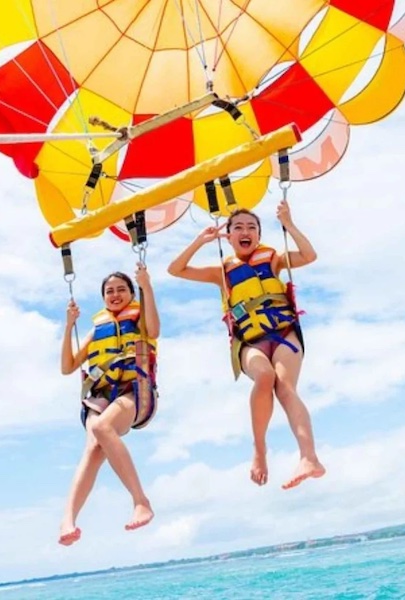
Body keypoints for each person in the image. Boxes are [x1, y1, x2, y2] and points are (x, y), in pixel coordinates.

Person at [167, 199, 326, 490]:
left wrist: (288, 224)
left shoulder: (274, 259)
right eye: (238, 227)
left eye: (252, 227)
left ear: (259, 235)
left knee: (285, 387)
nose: (245, 231)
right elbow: (175, 270)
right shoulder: (222, 272)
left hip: (284, 332)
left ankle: (309, 458)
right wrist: (200, 241)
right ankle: (260, 450)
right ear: (228, 236)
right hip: (249, 341)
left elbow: (309, 255)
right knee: (264, 376)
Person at [57, 263, 160, 545]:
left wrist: (146, 285)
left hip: (135, 392)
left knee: (102, 429)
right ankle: (68, 518)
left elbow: (154, 330)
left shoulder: (139, 320)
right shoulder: (97, 330)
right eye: (109, 291)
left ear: (131, 294)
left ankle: (141, 501)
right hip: (100, 396)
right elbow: (67, 367)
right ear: (103, 298)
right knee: (92, 448)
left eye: (121, 290)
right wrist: (69, 326)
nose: (115, 295)